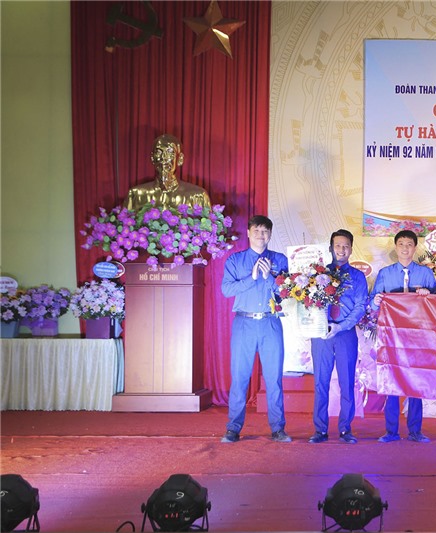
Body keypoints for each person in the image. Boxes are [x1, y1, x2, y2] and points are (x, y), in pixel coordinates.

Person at [220, 215, 291, 443]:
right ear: (249, 233)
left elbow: (288, 292)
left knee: (274, 378)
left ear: (270, 235)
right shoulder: (235, 260)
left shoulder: (279, 259)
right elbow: (226, 290)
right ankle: (233, 428)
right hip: (244, 323)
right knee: (240, 376)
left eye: (265, 231)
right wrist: (251, 278)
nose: (261, 235)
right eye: (257, 231)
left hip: (271, 322)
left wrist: (269, 277)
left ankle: (278, 428)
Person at [369, 230, 436, 443]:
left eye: (409, 244)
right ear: (396, 247)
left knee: (415, 382)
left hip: (418, 337)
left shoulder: (426, 274)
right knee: (391, 382)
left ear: (415, 248)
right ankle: (391, 431)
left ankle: (415, 431)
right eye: (401, 244)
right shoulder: (385, 274)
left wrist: (428, 295)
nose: (405, 248)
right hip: (392, 337)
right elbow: (372, 303)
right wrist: (376, 301)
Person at [308, 229, 369, 444]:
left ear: (351, 249)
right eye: (337, 246)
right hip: (321, 334)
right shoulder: (318, 275)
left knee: (347, 382)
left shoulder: (358, 277)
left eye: (346, 246)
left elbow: (360, 306)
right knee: (320, 383)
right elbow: (308, 302)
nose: (341, 250)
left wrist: (340, 326)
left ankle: (345, 429)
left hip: (345, 334)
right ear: (330, 248)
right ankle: (320, 430)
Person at [125, 134, 211, 211]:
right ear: (152, 158)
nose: (163, 158)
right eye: (159, 152)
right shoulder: (136, 195)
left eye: (170, 153)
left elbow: (207, 222)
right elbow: (124, 220)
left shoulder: (198, 196)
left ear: (180, 159)